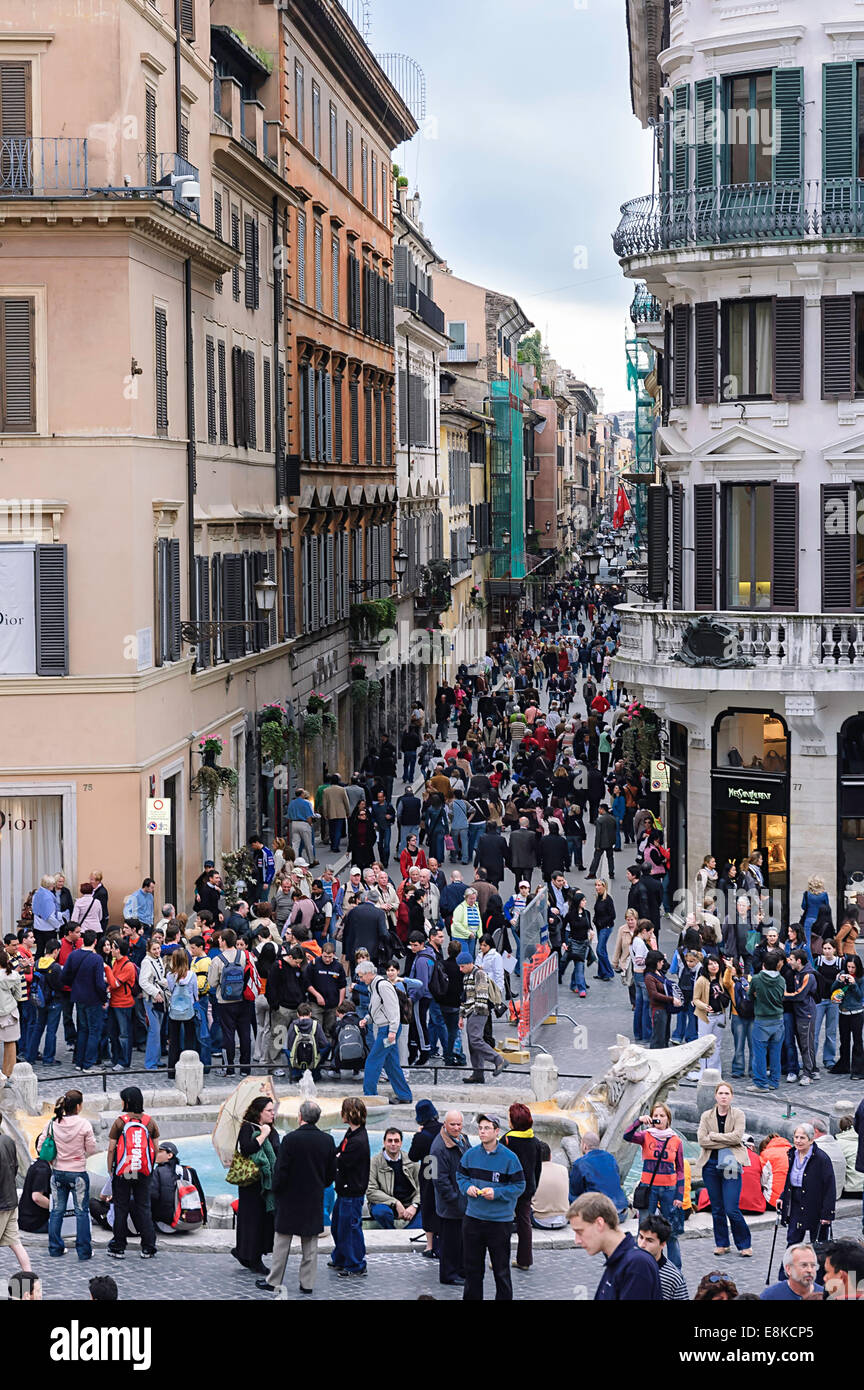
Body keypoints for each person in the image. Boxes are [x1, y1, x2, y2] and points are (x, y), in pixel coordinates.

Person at [256, 1100, 337, 1296]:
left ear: (300, 1116)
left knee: (282, 1242)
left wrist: (275, 1189)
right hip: (313, 1198)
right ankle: (307, 1283)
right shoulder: (327, 1140)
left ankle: (274, 1280)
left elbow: (281, 1170)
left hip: (290, 1198)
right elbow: (330, 1173)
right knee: (310, 1245)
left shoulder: (290, 1139)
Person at [457, 1113, 526, 1301]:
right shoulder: (470, 1155)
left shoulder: (510, 1158)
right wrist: (467, 1187)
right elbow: (461, 1176)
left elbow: (520, 1186)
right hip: (473, 1220)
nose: (482, 1131)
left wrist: (497, 1193)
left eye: (487, 1128)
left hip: (499, 1222)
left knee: (501, 1271)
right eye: (480, 1128)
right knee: (472, 1271)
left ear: (497, 1131)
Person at [624, 1102, 686, 1268]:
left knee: (671, 1232)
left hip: (669, 1190)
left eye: (662, 1116)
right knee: (643, 1228)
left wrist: (679, 1196)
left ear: (668, 1119)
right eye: (656, 1115)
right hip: (648, 1189)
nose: (658, 1118)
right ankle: (642, 1266)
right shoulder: (645, 1135)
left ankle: (675, 1270)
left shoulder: (676, 1141)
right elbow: (627, 1136)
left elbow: (680, 1170)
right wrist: (638, 1121)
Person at [568, 1192, 662, 1301]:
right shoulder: (622, 1261)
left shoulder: (636, 1264)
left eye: (580, 1231)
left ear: (599, 1223)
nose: (577, 1241)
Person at [696, 1082, 753, 1257]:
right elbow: (701, 1140)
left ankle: (744, 1244)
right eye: (720, 1093)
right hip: (711, 1165)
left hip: (730, 1163)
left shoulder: (738, 1114)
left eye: (727, 1093)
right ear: (715, 1096)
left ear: (731, 1096)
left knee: (731, 1208)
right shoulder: (707, 1116)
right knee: (717, 1208)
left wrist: (714, 1136)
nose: (723, 1096)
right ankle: (722, 1243)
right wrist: (725, 1140)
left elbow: (737, 1137)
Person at [105, 1086, 159, 1261]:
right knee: (144, 1206)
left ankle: (118, 1246)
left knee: (121, 1206)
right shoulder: (149, 1122)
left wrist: (110, 1169)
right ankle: (148, 1247)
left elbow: (111, 1148)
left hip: (125, 1171)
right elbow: (156, 1148)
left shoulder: (120, 1122)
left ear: (126, 1102)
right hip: (143, 1171)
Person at [229, 1095, 279, 1277]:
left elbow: (276, 1153)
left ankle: (246, 1252)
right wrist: (263, 1134)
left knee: (264, 1221)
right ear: (259, 1112)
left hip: (266, 1183)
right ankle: (252, 1257)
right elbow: (247, 1148)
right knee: (251, 1220)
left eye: (273, 1110)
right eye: (269, 1111)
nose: (273, 1114)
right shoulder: (248, 1128)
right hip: (251, 1183)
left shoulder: (273, 1131)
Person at [355, 959, 412, 1104]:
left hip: (387, 1030)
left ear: (369, 974)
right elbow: (379, 1009)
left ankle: (370, 1096)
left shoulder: (382, 986)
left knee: (372, 1061)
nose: (360, 979)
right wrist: (367, 1019)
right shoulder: (376, 986)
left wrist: (392, 1031)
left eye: (361, 976)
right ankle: (404, 1095)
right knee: (391, 1063)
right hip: (387, 1029)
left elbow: (393, 1009)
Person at [330, 1096, 371, 1278]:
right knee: (338, 1226)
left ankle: (355, 1264)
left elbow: (342, 1160)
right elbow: (338, 1151)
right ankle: (341, 1258)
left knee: (350, 1229)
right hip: (345, 1191)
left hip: (352, 1192)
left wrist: (335, 1158)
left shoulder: (357, 1141)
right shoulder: (353, 1133)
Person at [779, 1123, 836, 1252]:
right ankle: (789, 1271)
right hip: (796, 1203)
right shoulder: (792, 1154)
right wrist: (783, 1197)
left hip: (815, 1204)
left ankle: (819, 1271)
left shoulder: (821, 1158)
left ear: (811, 1140)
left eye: (802, 1138)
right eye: (796, 1137)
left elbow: (829, 1187)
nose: (798, 1141)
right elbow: (790, 1180)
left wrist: (827, 1214)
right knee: (792, 1242)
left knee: (818, 1246)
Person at [502, 1102, 543, 1273]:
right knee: (524, 1224)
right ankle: (524, 1260)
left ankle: (501, 1259)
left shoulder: (506, 1140)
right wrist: (534, 1186)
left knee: (503, 1223)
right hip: (527, 1188)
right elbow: (538, 1168)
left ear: (513, 1121)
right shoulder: (535, 1141)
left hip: (509, 1188)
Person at [430, 1109, 469, 1285]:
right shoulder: (438, 1147)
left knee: (460, 1241)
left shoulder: (463, 1139)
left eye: (459, 1124)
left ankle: (460, 1271)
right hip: (450, 1205)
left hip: (461, 1201)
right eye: (452, 1124)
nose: (456, 1127)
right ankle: (449, 1275)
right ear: (445, 1124)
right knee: (449, 1243)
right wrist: (457, 1200)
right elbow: (440, 1181)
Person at [208, 929, 252, 1077]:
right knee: (245, 1034)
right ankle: (245, 1068)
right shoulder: (245, 956)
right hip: (244, 1000)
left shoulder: (218, 960)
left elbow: (212, 983)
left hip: (225, 1001)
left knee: (228, 1034)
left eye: (220, 939)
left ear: (224, 941)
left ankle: (229, 1068)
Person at [458, 948, 506, 1084]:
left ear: (469, 963)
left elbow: (482, 995)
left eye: (462, 966)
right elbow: (464, 997)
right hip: (470, 1012)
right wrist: (461, 1016)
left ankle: (498, 1059)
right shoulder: (466, 976)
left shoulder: (479, 974)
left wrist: (475, 1013)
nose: (460, 969)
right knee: (472, 1044)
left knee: (475, 1040)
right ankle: (478, 1073)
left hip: (478, 1012)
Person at [746, 947, 786, 1093]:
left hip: (762, 1020)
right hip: (778, 1019)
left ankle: (761, 1083)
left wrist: (756, 995)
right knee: (776, 1052)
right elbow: (781, 996)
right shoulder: (781, 980)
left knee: (760, 1053)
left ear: (764, 964)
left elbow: (750, 996)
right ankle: (774, 1081)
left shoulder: (757, 979)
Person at [367, 1128, 422, 1229]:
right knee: (381, 1212)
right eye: (390, 1140)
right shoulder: (373, 1163)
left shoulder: (412, 1161)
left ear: (401, 1143)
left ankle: (406, 1234)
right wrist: (395, 1202)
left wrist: (414, 1205)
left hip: (409, 1202)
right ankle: (392, 1232)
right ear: (384, 1142)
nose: (393, 1144)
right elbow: (371, 1191)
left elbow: (422, 1186)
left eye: (396, 1141)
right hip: (385, 1203)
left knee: (429, 1210)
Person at [149, 1141, 206, 1235]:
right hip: (189, 1223)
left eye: (159, 1151)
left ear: (170, 1155)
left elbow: (153, 1197)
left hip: (167, 1226)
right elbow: (200, 1196)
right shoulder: (189, 1170)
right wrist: (204, 1220)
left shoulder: (158, 1171)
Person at [568, 1131, 628, 1220]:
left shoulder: (580, 1163)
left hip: (602, 1214)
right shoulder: (611, 1158)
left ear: (584, 1145)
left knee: (570, 1194)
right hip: (622, 1211)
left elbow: (575, 1192)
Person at [408, 1100, 442, 1257]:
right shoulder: (445, 1129)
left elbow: (413, 1156)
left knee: (428, 1206)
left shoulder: (422, 1136)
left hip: (429, 1171)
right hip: (445, 1170)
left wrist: (418, 1135)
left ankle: (430, 1246)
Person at [0, 1119, 32, 1277]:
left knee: (16, 1244)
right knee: (16, 1244)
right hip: (11, 1200)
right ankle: (31, 1283)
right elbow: (15, 1168)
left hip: (1, 1204)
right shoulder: (8, 1140)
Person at [637, 1212, 689, 1300]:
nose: (642, 1245)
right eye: (641, 1237)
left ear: (662, 1244)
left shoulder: (673, 1278)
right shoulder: (628, 1266)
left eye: (649, 1240)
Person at [830, 954, 864, 1078]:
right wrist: (838, 981)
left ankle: (858, 1070)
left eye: (853, 967)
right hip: (843, 1012)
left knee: (857, 1041)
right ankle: (844, 1065)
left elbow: (860, 996)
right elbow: (833, 990)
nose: (850, 970)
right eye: (849, 966)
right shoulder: (843, 974)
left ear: (858, 967)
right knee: (844, 1041)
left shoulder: (861, 978)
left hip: (856, 1013)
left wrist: (854, 984)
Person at [531, 1142, 570, 1230]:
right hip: (564, 1219)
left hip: (539, 1220)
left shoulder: (532, 1172)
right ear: (550, 1156)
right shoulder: (563, 1169)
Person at [0, 948, 24, 1084]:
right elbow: (18, 995)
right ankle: (8, 1073)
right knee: (10, 1044)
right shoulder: (13, 975)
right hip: (9, 1012)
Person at [17, 1153, 52, 1235]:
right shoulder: (42, 1169)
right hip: (36, 1223)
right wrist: (57, 1209)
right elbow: (37, 1197)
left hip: (25, 1220)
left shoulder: (36, 1162)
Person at [587, 802, 617, 880]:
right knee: (610, 858)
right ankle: (611, 873)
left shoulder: (600, 820)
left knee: (596, 858)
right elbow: (615, 831)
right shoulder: (612, 818)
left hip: (601, 843)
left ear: (602, 810)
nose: (598, 810)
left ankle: (592, 873)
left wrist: (597, 845)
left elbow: (598, 834)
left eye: (599, 809)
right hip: (610, 842)